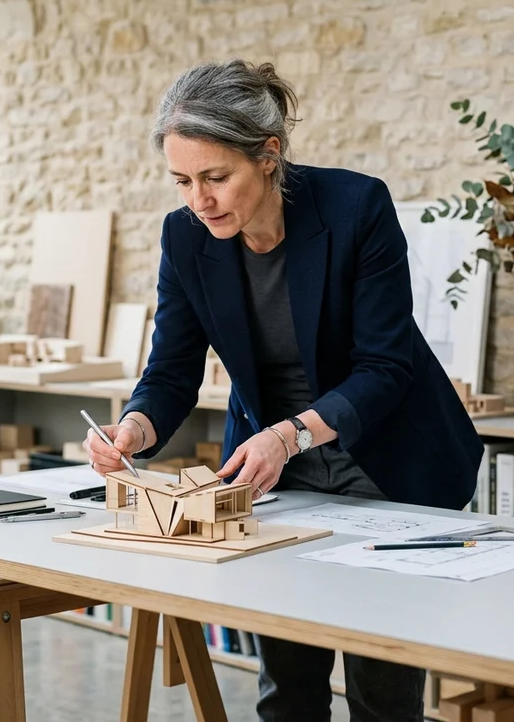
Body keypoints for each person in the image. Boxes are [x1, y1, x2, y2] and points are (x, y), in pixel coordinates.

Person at [83, 58, 484, 722]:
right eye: (182, 181)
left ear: (268, 156)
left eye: (216, 177)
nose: (198, 200)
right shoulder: (183, 237)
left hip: (385, 460)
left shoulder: (356, 207)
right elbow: (172, 371)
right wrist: (136, 427)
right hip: (274, 474)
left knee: (381, 692)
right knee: (288, 685)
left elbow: (386, 367)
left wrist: (291, 433)